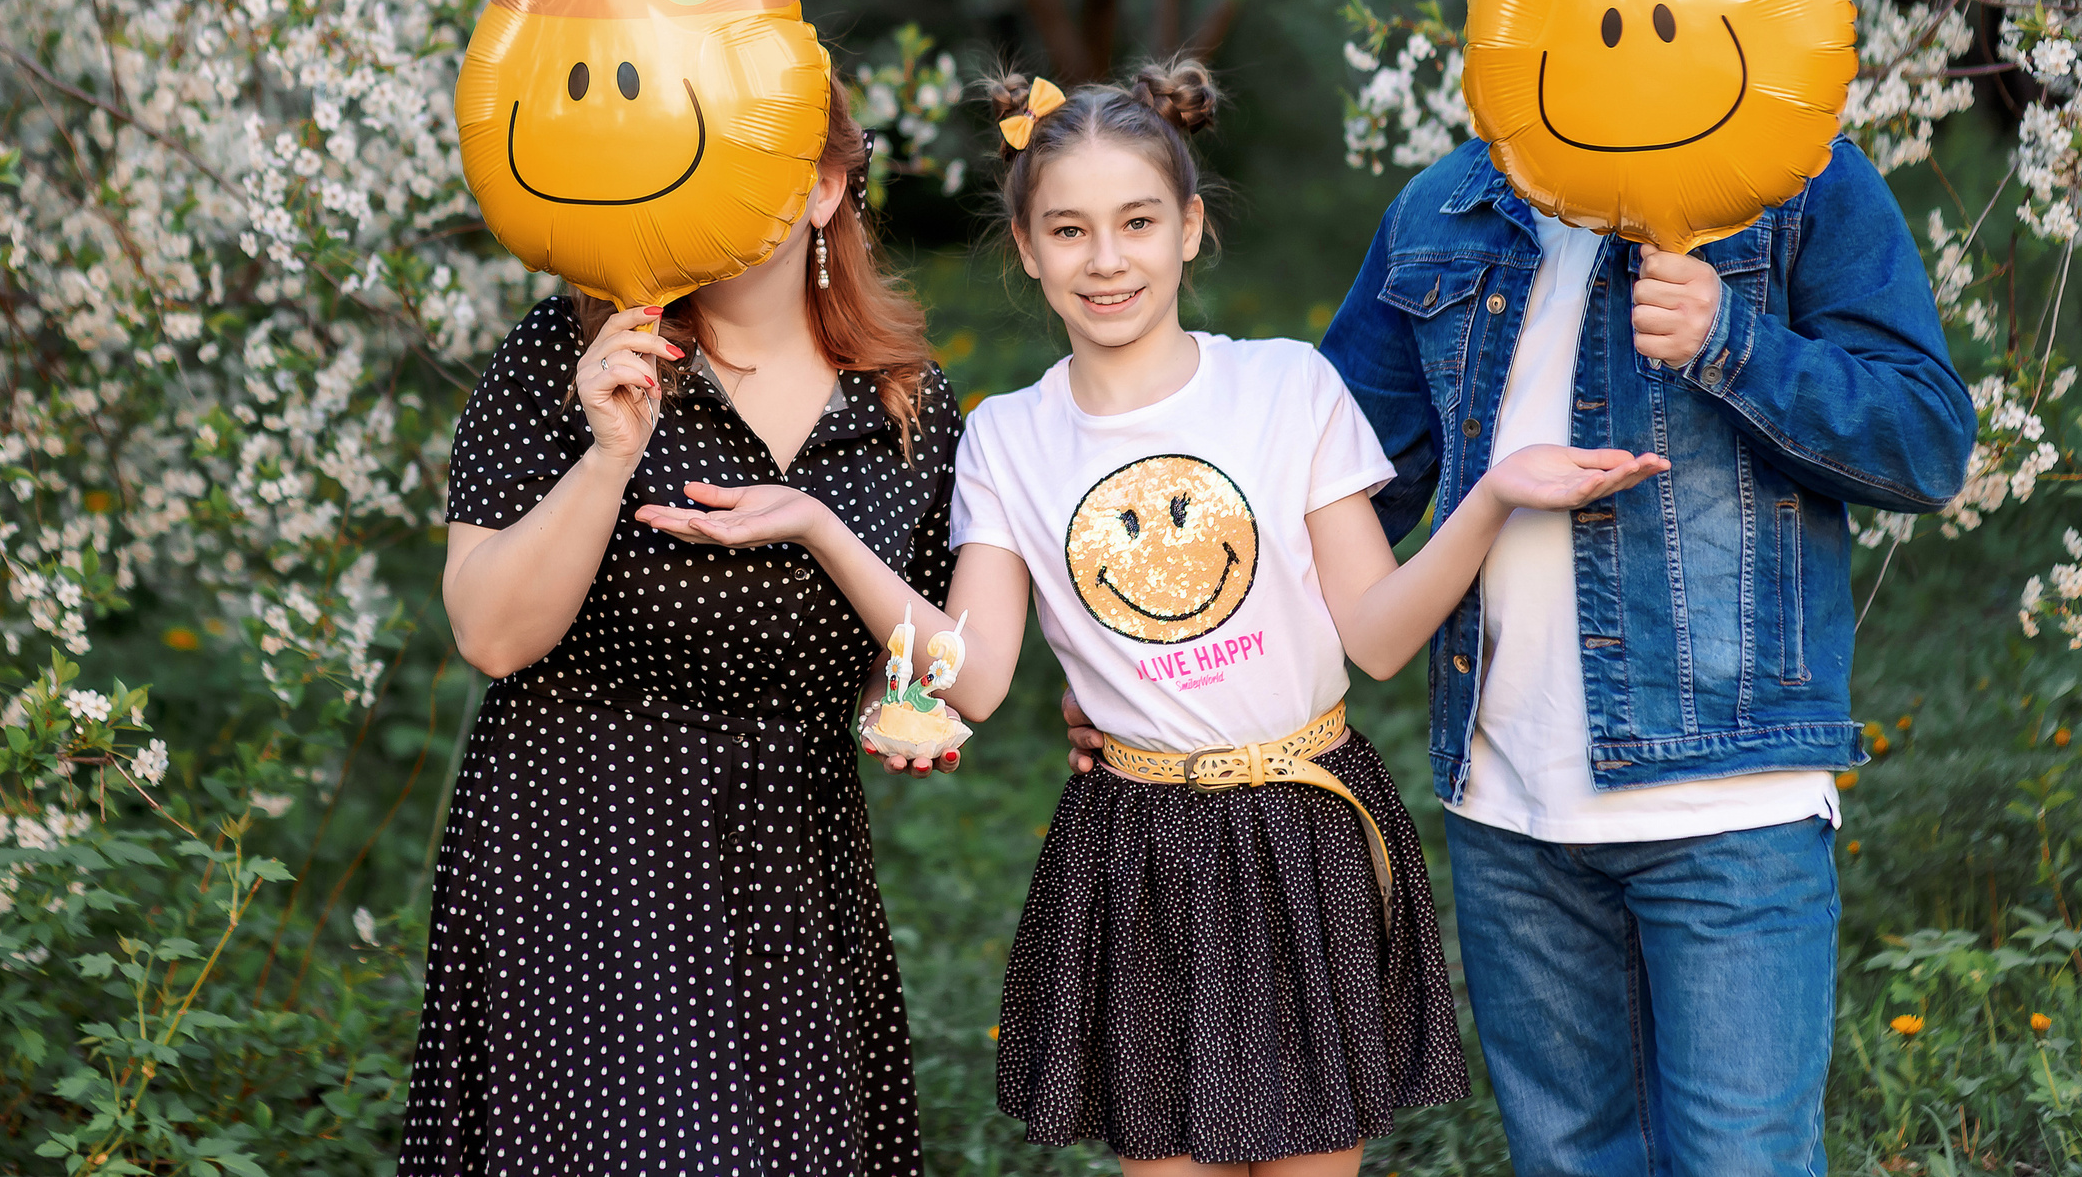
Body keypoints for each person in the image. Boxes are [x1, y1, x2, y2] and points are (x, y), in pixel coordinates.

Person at [1074, 0, 1977, 1176]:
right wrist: (1158, 667)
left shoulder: (1791, 180)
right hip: (1508, 813)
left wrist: (1731, 341)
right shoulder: (1441, 210)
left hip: (1726, 804)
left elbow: (1926, 439)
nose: (1502, 15)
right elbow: (1322, 486)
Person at [645, 58, 1667, 1177]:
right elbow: (973, 677)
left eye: (1136, 222)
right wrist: (820, 527)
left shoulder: (1286, 388)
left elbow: (1377, 635)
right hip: (1138, 846)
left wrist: (1493, 495)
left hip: (1305, 829)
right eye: (1069, 231)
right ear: (1028, 248)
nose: (1106, 259)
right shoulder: (1007, 437)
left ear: (1188, 227)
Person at [402, 80, 959, 1177]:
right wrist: (609, 453)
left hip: (793, 863)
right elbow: (490, 635)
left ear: (823, 189)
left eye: (746, 161)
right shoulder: (567, 354)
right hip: (582, 843)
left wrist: (904, 709)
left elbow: (915, 652)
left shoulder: (905, 398)